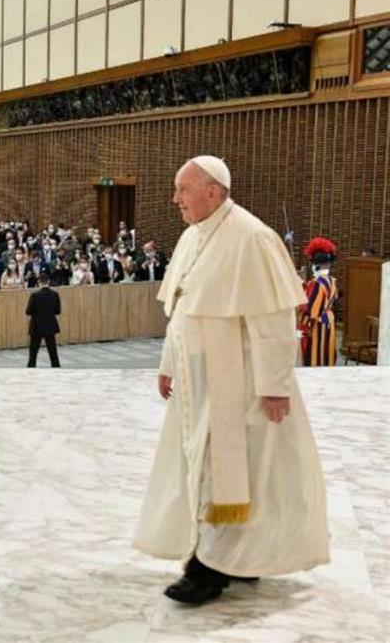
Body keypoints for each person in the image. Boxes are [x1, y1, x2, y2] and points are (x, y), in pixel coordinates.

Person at [133, 156, 328, 604]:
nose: (175, 198)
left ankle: (209, 570)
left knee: (227, 472)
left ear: (212, 191)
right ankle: (240, 556)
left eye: (182, 189)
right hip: (197, 382)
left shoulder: (253, 236)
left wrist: (275, 384)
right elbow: (179, 308)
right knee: (213, 471)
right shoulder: (191, 237)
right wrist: (167, 364)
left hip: (237, 384)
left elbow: (273, 320)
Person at [298, 237, 338, 366]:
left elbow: (311, 310)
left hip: (317, 325)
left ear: (316, 265)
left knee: (316, 357)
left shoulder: (316, 284)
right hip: (329, 322)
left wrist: (302, 326)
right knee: (328, 353)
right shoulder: (332, 281)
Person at [25, 272, 61, 368]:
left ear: (38, 282)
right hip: (50, 324)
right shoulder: (55, 294)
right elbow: (57, 311)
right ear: (48, 281)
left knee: (33, 351)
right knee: (52, 350)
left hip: (37, 325)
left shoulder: (35, 295)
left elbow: (28, 311)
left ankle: (31, 367)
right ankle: (56, 367)